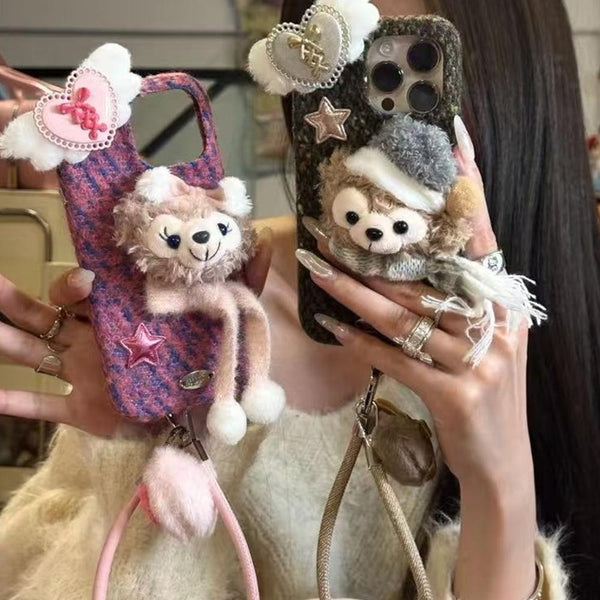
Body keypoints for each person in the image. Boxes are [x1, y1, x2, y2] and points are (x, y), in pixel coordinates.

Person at [0, 0, 598, 598]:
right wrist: (154, 454)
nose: (374, 131)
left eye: (409, 83)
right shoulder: (204, 297)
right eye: (339, 73)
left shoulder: (573, 338)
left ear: (515, 97)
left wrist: (503, 484)